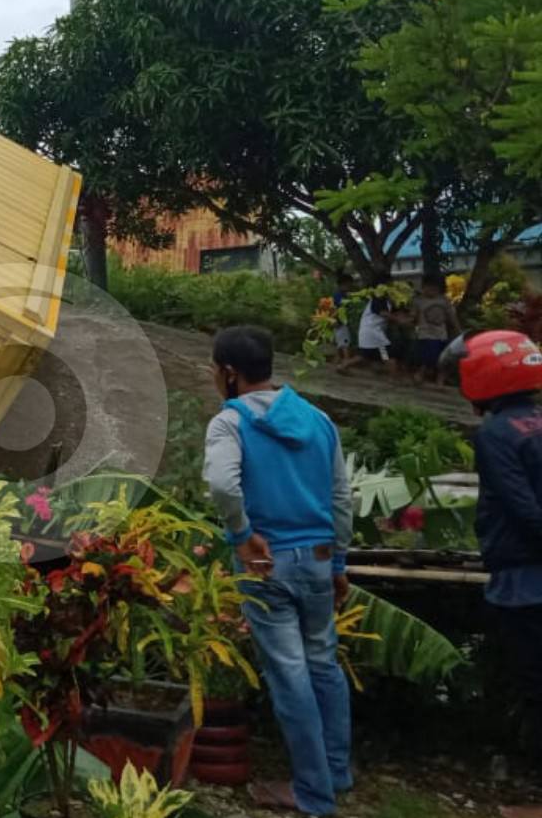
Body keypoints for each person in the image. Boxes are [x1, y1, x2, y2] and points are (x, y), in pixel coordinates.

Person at [203, 326, 354, 817]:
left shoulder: (229, 423)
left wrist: (242, 535)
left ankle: (312, 795)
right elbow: (341, 498)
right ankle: (336, 772)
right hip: (318, 557)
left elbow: (222, 485)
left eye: (214, 369)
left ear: (229, 373)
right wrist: (338, 562)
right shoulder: (318, 419)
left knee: (290, 675)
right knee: (323, 663)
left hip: (266, 563)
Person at [439, 331, 542, 818]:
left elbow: (523, 509)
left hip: (524, 581)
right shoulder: (536, 423)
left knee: (533, 683)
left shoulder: (497, 434)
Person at [409, 275, 461, 385]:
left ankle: (440, 379)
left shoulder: (444, 301)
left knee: (443, 359)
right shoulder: (418, 301)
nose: (431, 290)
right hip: (425, 334)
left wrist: (458, 331)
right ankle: (420, 374)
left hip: (441, 334)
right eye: (428, 287)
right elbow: (413, 316)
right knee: (427, 357)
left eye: (434, 288)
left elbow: (452, 317)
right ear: (423, 287)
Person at [331, 273, 353, 365]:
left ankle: (336, 362)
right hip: (340, 323)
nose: (350, 286)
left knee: (340, 344)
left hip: (340, 322)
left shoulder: (340, 295)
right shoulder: (339, 295)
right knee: (345, 344)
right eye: (348, 284)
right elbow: (338, 309)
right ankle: (346, 362)